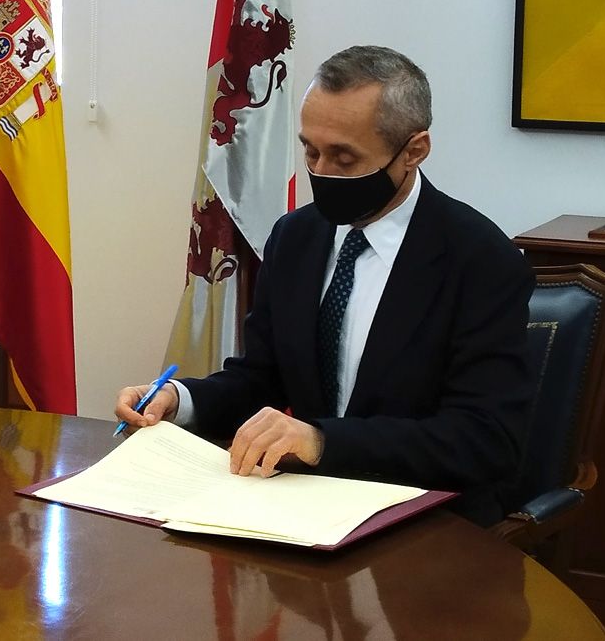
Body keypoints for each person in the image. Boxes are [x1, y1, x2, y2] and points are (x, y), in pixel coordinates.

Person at [115, 46, 534, 526]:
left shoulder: (480, 259)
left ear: (414, 151)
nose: (322, 172)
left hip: (426, 522)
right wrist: (179, 400)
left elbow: (485, 438)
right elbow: (261, 378)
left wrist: (321, 441)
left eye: (344, 158)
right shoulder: (295, 238)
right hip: (302, 509)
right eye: (311, 151)